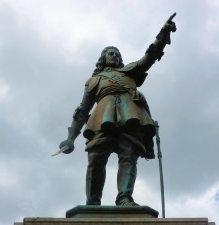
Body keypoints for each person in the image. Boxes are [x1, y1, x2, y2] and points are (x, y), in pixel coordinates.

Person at [56, 13, 176, 206]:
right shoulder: (94, 80)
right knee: (95, 158)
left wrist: (162, 35)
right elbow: (82, 109)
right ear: (103, 58)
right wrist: (71, 137)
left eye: (117, 54)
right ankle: (93, 201)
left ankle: (125, 197)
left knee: (128, 157)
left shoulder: (129, 71)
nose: (115, 56)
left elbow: (149, 57)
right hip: (102, 117)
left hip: (130, 116)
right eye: (111, 53)